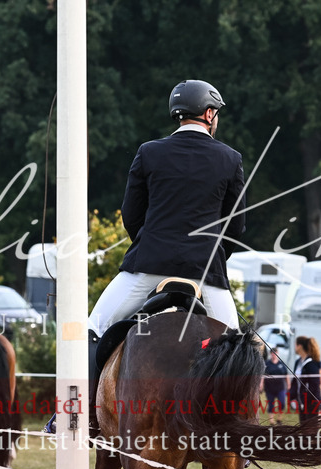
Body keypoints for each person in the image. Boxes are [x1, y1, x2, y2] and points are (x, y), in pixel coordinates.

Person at [88, 79, 246, 336]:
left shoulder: (148, 152)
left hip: (150, 263)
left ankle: (79, 379)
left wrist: (151, 245)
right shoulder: (230, 158)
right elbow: (236, 226)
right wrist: (211, 255)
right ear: (208, 113)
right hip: (205, 270)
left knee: (93, 328)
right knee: (236, 347)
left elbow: (131, 214)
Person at [292, 336, 321, 423]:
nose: (294, 347)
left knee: (311, 431)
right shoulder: (298, 362)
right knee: (303, 430)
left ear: (299, 346)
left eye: (295, 345)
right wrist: (292, 396)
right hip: (301, 401)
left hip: (311, 402)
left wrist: (306, 400)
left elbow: (314, 385)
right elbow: (295, 381)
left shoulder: (312, 364)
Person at [260, 349, 290, 426]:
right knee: (271, 405)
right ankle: (272, 421)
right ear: (271, 354)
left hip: (280, 388)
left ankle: (279, 419)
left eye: (275, 353)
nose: (274, 355)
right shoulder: (267, 364)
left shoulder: (282, 364)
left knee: (282, 403)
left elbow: (286, 375)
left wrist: (288, 384)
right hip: (269, 388)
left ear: (277, 354)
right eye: (272, 353)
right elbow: (263, 375)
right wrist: (261, 384)